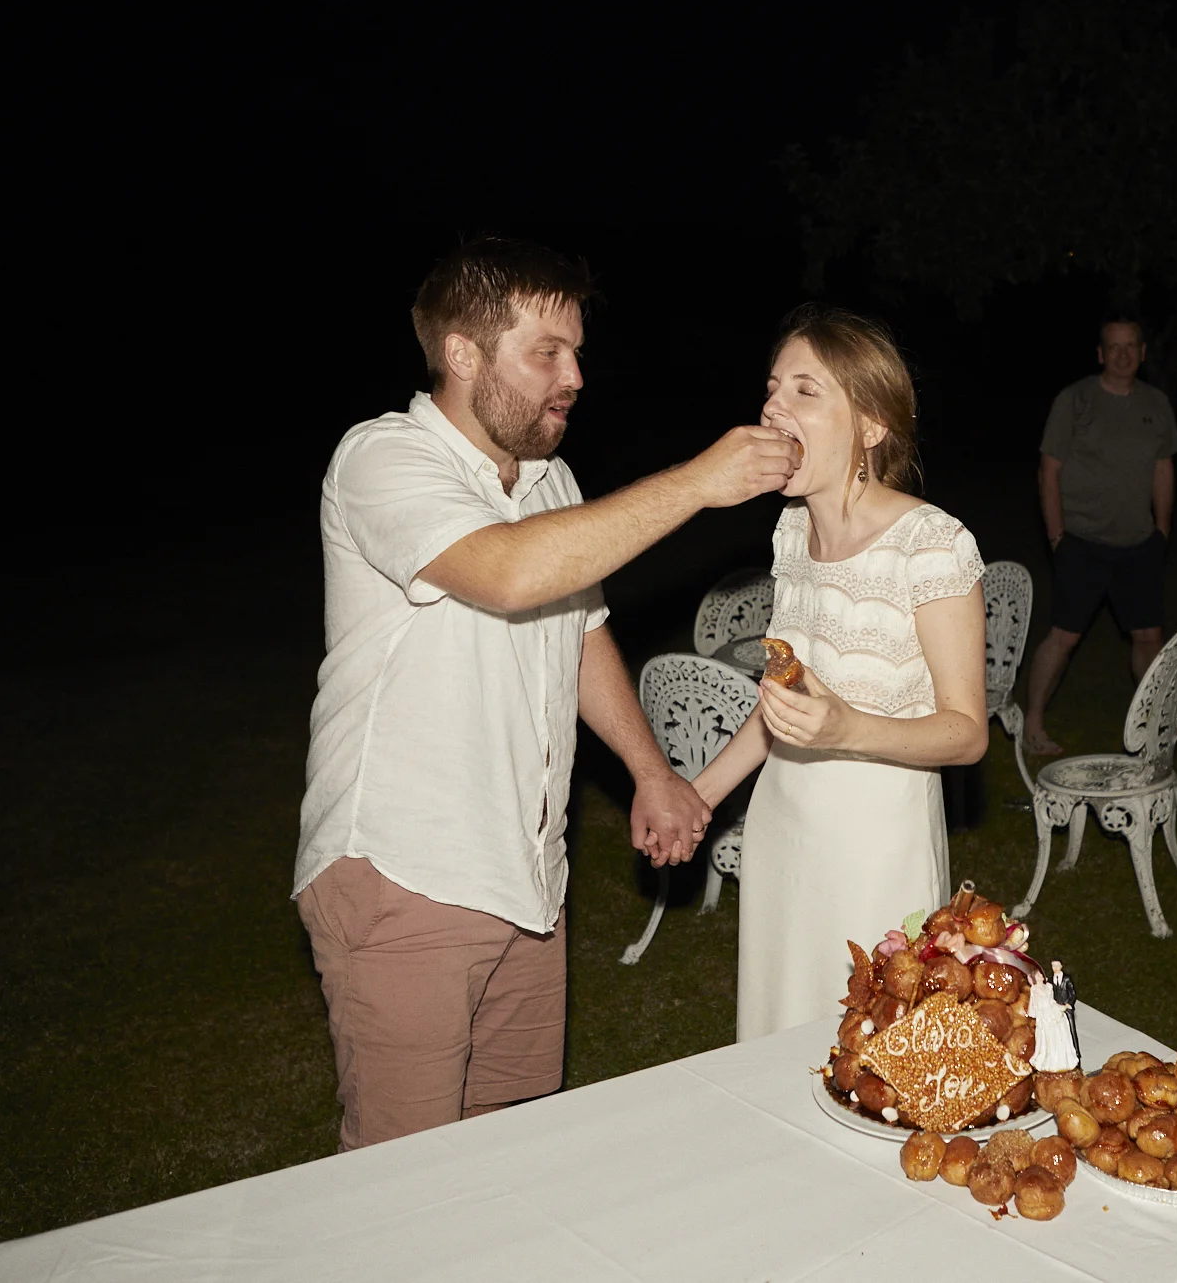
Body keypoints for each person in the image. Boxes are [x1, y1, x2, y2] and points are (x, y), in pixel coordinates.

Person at [295, 237, 801, 1149]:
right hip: (408, 871)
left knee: (507, 1149)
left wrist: (651, 770)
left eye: (576, 350)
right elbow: (509, 574)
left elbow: (580, 629)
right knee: (399, 1178)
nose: (575, 374)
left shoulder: (549, 480)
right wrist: (696, 483)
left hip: (528, 878)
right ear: (462, 354)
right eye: (546, 352)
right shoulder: (383, 458)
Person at [691, 305, 989, 1042]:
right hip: (781, 829)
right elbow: (784, 704)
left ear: (872, 425)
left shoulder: (933, 544)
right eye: (772, 387)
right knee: (778, 1031)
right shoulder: (790, 533)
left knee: (873, 1052)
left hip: (874, 847)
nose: (772, 406)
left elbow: (967, 733)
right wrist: (696, 798)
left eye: (804, 390)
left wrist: (847, 726)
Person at [1024, 316, 1177, 755]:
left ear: (1143, 352)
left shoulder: (1156, 403)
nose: (1123, 354)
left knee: (1148, 637)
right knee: (1064, 637)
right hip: (1082, 540)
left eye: (1131, 346)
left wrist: (1162, 528)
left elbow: (1163, 467)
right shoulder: (1075, 400)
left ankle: (1155, 722)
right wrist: (1057, 536)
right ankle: (1033, 722)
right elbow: (1049, 471)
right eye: (1113, 346)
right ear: (1100, 354)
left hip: (1139, 543)